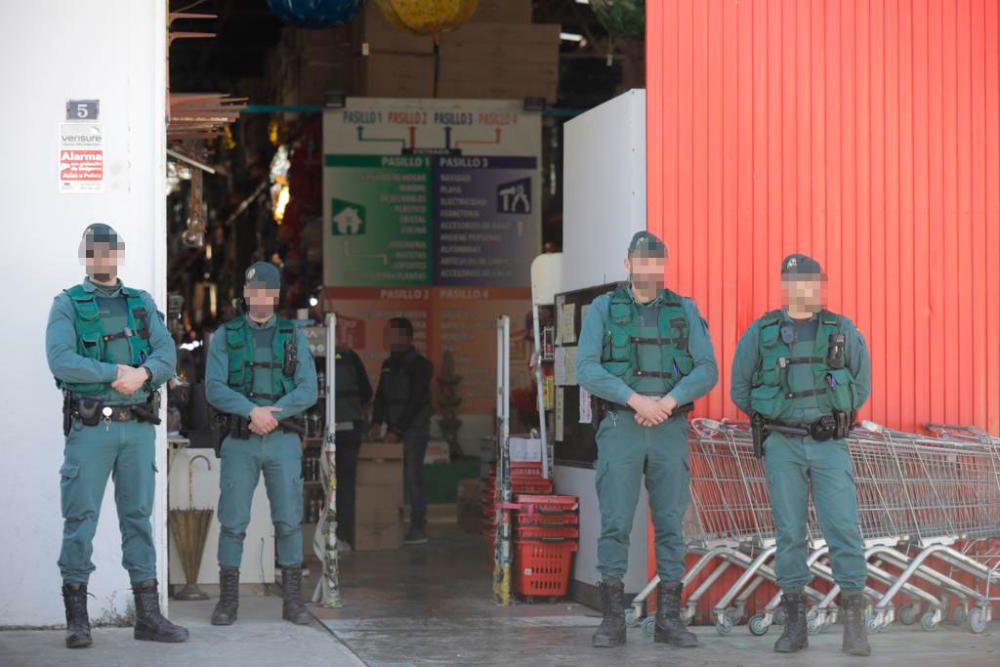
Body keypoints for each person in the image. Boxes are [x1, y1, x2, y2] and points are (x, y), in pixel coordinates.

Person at [46, 223, 188, 648]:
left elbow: (167, 353)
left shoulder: (141, 303)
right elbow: (61, 360)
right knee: (80, 520)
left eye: (110, 250)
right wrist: (114, 374)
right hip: (92, 430)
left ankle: (147, 618)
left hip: (138, 428)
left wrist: (144, 373)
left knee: (138, 520)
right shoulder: (67, 304)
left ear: (119, 254)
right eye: (95, 251)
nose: (103, 258)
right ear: (85, 255)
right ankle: (77, 620)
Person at [576, 231, 718, 649]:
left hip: (669, 428)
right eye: (643, 261)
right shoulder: (603, 309)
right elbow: (586, 368)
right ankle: (612, 620)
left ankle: (668, 619)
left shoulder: (684, 310)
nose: (650, 269)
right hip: (622, 428)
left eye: (658, 262)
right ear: (628, 263)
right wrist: (635, 398)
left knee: (671, 523)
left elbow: (706, 369)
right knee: (616, 522)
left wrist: (669, 401)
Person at [731, 253, 871, 657]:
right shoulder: (761, 333)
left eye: (811, 282)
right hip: (782, 446)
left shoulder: (841, 330)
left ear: (819, 286)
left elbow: (860, 384)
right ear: (785, 287)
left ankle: (855, 625)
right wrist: (778, 416)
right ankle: (795, 626)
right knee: (789, 532)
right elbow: (741, 388)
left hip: (829, 445)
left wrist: (832, 419)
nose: (804, 290)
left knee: (843, 528)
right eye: (795, 283)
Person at [205, 261, 318, 626]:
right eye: (254, 291)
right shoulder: (225, 335)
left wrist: (275, 414)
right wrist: (252, 411)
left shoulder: (293, 336)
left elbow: (308, 389)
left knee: (287, 520)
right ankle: (228, 603)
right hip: (241, 440)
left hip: (282, 440)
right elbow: (214, 388)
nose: (260, 298)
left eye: (268, 292)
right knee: (233, 521)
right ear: (244, 293)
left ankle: (293, 603)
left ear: (277, 295)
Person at [371, 317, 434, 545]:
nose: (387, 338)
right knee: (392, 477)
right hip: (393, 430)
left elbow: (416, 401)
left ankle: (419, 527)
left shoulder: (420, 365)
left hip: (413, 430)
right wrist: (376, 423)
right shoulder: (388, 364)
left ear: (406, 337)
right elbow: (381, 397)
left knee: (413, 477)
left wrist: (396, 430)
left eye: (391, 334)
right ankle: (391, 526)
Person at [332, 342, 373, 550]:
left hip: (322, 430)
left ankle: (322, 535)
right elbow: (366, 392)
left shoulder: (309, 356)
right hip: (350, 428)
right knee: (346, 484)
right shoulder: (350, 356)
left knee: (323, 483)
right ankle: (344, 537)